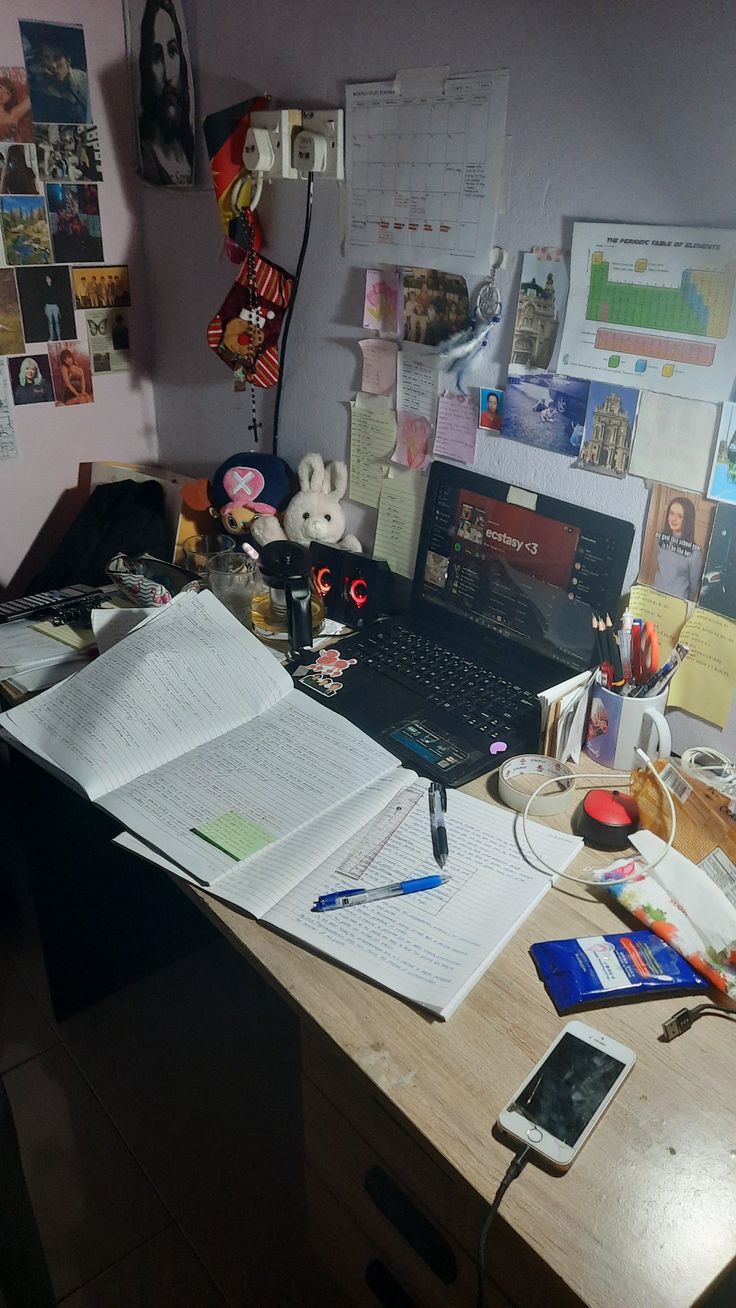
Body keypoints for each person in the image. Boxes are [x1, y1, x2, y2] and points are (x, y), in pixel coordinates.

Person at [137, 0, 194, 186]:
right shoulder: (144, 157)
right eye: (156, 57)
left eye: (172, 51)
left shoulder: (191, 148)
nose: (169, 74)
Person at [27, 26, 90, 124]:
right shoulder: (39, 87)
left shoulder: (85, 82)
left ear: (68, 60)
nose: (53, 65)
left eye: (58, 57)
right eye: (47, 57)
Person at [653, 496, 703, 601]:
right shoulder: (660, 540)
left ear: (687, 520)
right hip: (654, 595)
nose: (674, 519)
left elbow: (694, 585)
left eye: (680, 516)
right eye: (671, 513)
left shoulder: (695, 552)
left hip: (676, 602)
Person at [42, 274, 61, 340]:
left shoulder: (55, 287)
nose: (47, 280)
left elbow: (58, 297)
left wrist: (58, 307)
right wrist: (45, 308)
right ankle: (51, 337)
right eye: (46, 279)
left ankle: (59, 337)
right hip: (48, 306)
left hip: (55, 306)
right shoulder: (44, 288)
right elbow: (43, 298)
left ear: (51, 279)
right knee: (50, 322)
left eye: (48, 278)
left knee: (57, 322)